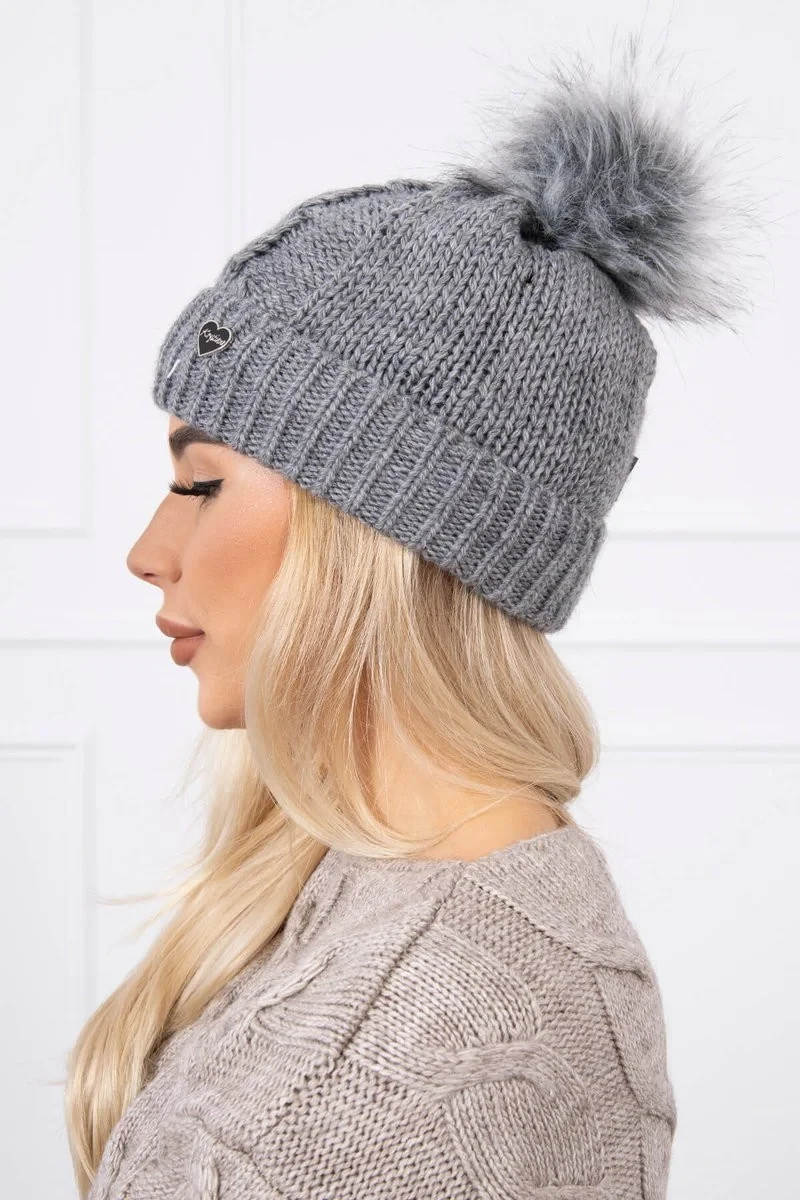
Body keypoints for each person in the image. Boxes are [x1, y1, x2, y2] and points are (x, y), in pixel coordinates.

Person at [65, 33, 757, 1200]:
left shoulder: (416, 1039)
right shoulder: (395, 880)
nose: (149, 552)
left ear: (376, 530)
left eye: (201, 482)